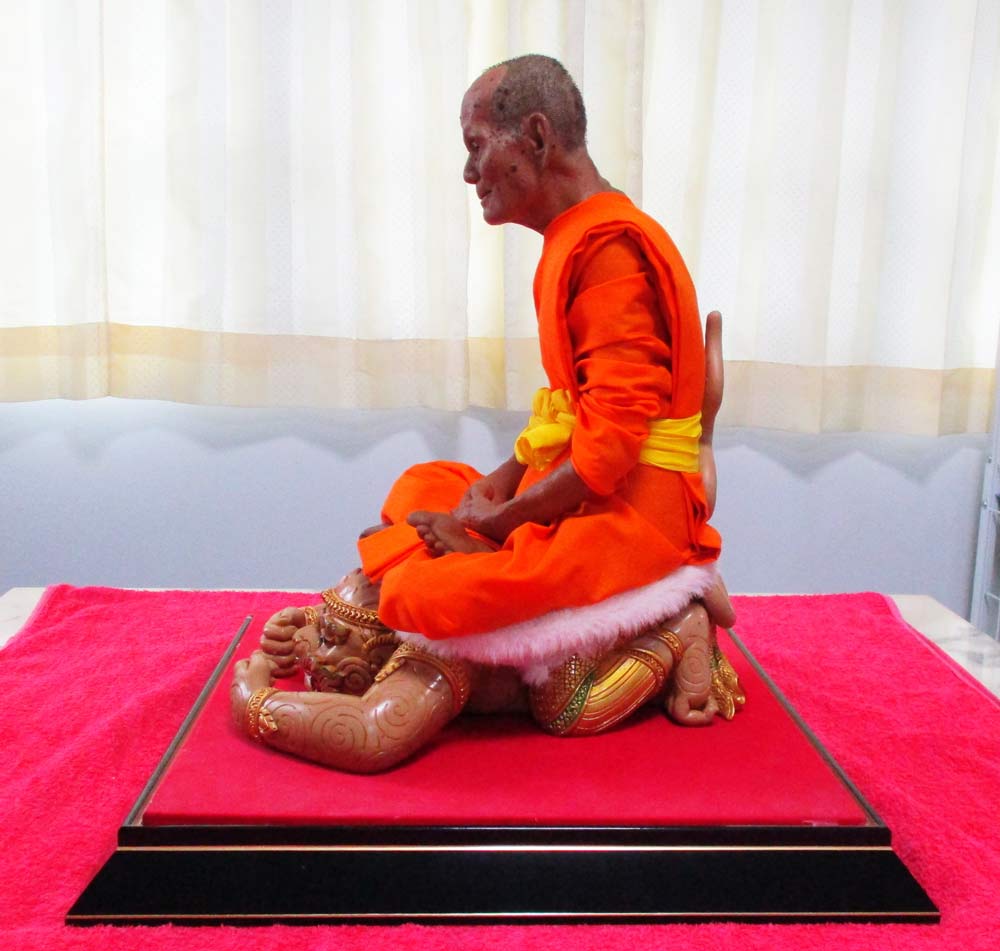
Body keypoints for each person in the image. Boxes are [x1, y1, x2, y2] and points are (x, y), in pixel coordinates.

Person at [231, 55, 743, 773]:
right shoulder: (578, 235)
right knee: (424, 485)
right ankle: (491, 543)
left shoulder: (610, 251)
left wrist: (500, 527)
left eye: (476, 146)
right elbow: (570, 416)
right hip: (593, 482)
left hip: (636, 510)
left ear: (535, 137)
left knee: (425, 591)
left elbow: (609, 453)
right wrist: (503, 480)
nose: (469, 172)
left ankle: (676, 625)